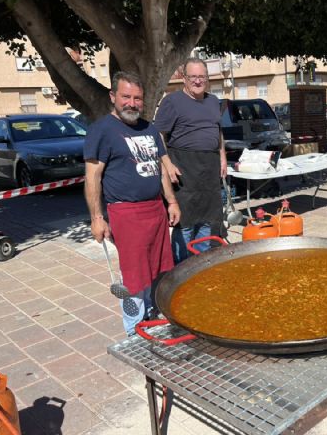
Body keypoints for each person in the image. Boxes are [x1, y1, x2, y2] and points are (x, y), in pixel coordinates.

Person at [84, 71, 180, 335]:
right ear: (113, 96)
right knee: (135, 277)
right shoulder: (102, 130)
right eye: (126, 96)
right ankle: (134, 333)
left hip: (155, 211)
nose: (132, 103)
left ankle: (153, 319)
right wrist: (97, 218)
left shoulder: (149, 128)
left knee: (158, 271)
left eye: (137, 98)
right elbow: (93, 176)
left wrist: (171, 202)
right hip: (126, 213)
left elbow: (160, 169)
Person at [154, 57, 227, 264]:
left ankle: (201, 267)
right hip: (184, 170)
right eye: (193, 77)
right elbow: (158, 135)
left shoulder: (213, 101)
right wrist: (167, 164)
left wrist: (222, 157)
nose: (198, 81)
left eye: (202, 77)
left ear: (207, 78)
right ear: (184, 78)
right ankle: (180, 271)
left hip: (209, 170)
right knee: (185, 225)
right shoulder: (172, 101)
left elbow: (218, 130)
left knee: (206, 221)